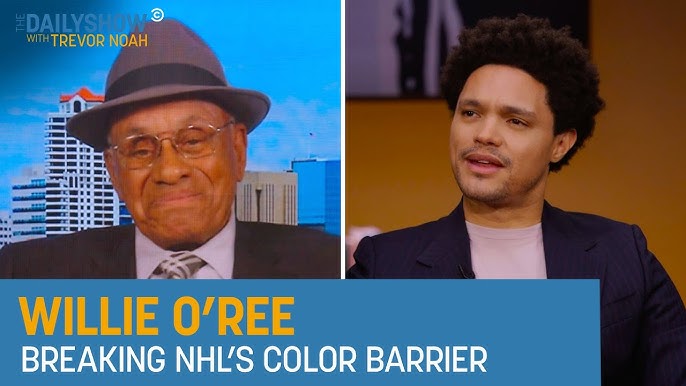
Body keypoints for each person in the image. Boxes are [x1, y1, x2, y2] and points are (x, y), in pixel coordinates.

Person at [346, 15, 686, 385]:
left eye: (515, 121)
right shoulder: (384, 266)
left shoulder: (623, 254)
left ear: (560, 143)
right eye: (470, 113)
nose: (485, 134)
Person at [0, 19, 339, 279]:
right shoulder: (25, 274)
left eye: (193, 139)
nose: (170, 170)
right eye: (140, 149)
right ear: (114, 172)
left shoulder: (331, 271)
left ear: (237, 149)